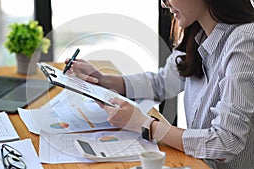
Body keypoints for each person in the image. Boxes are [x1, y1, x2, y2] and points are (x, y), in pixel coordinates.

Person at [65, 0, 254, 168]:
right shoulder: (198, 32)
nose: (164, 4)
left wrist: (145, 125)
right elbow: (162, 83)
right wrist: (104, 80)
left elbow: (226, 142)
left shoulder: (244, 40)